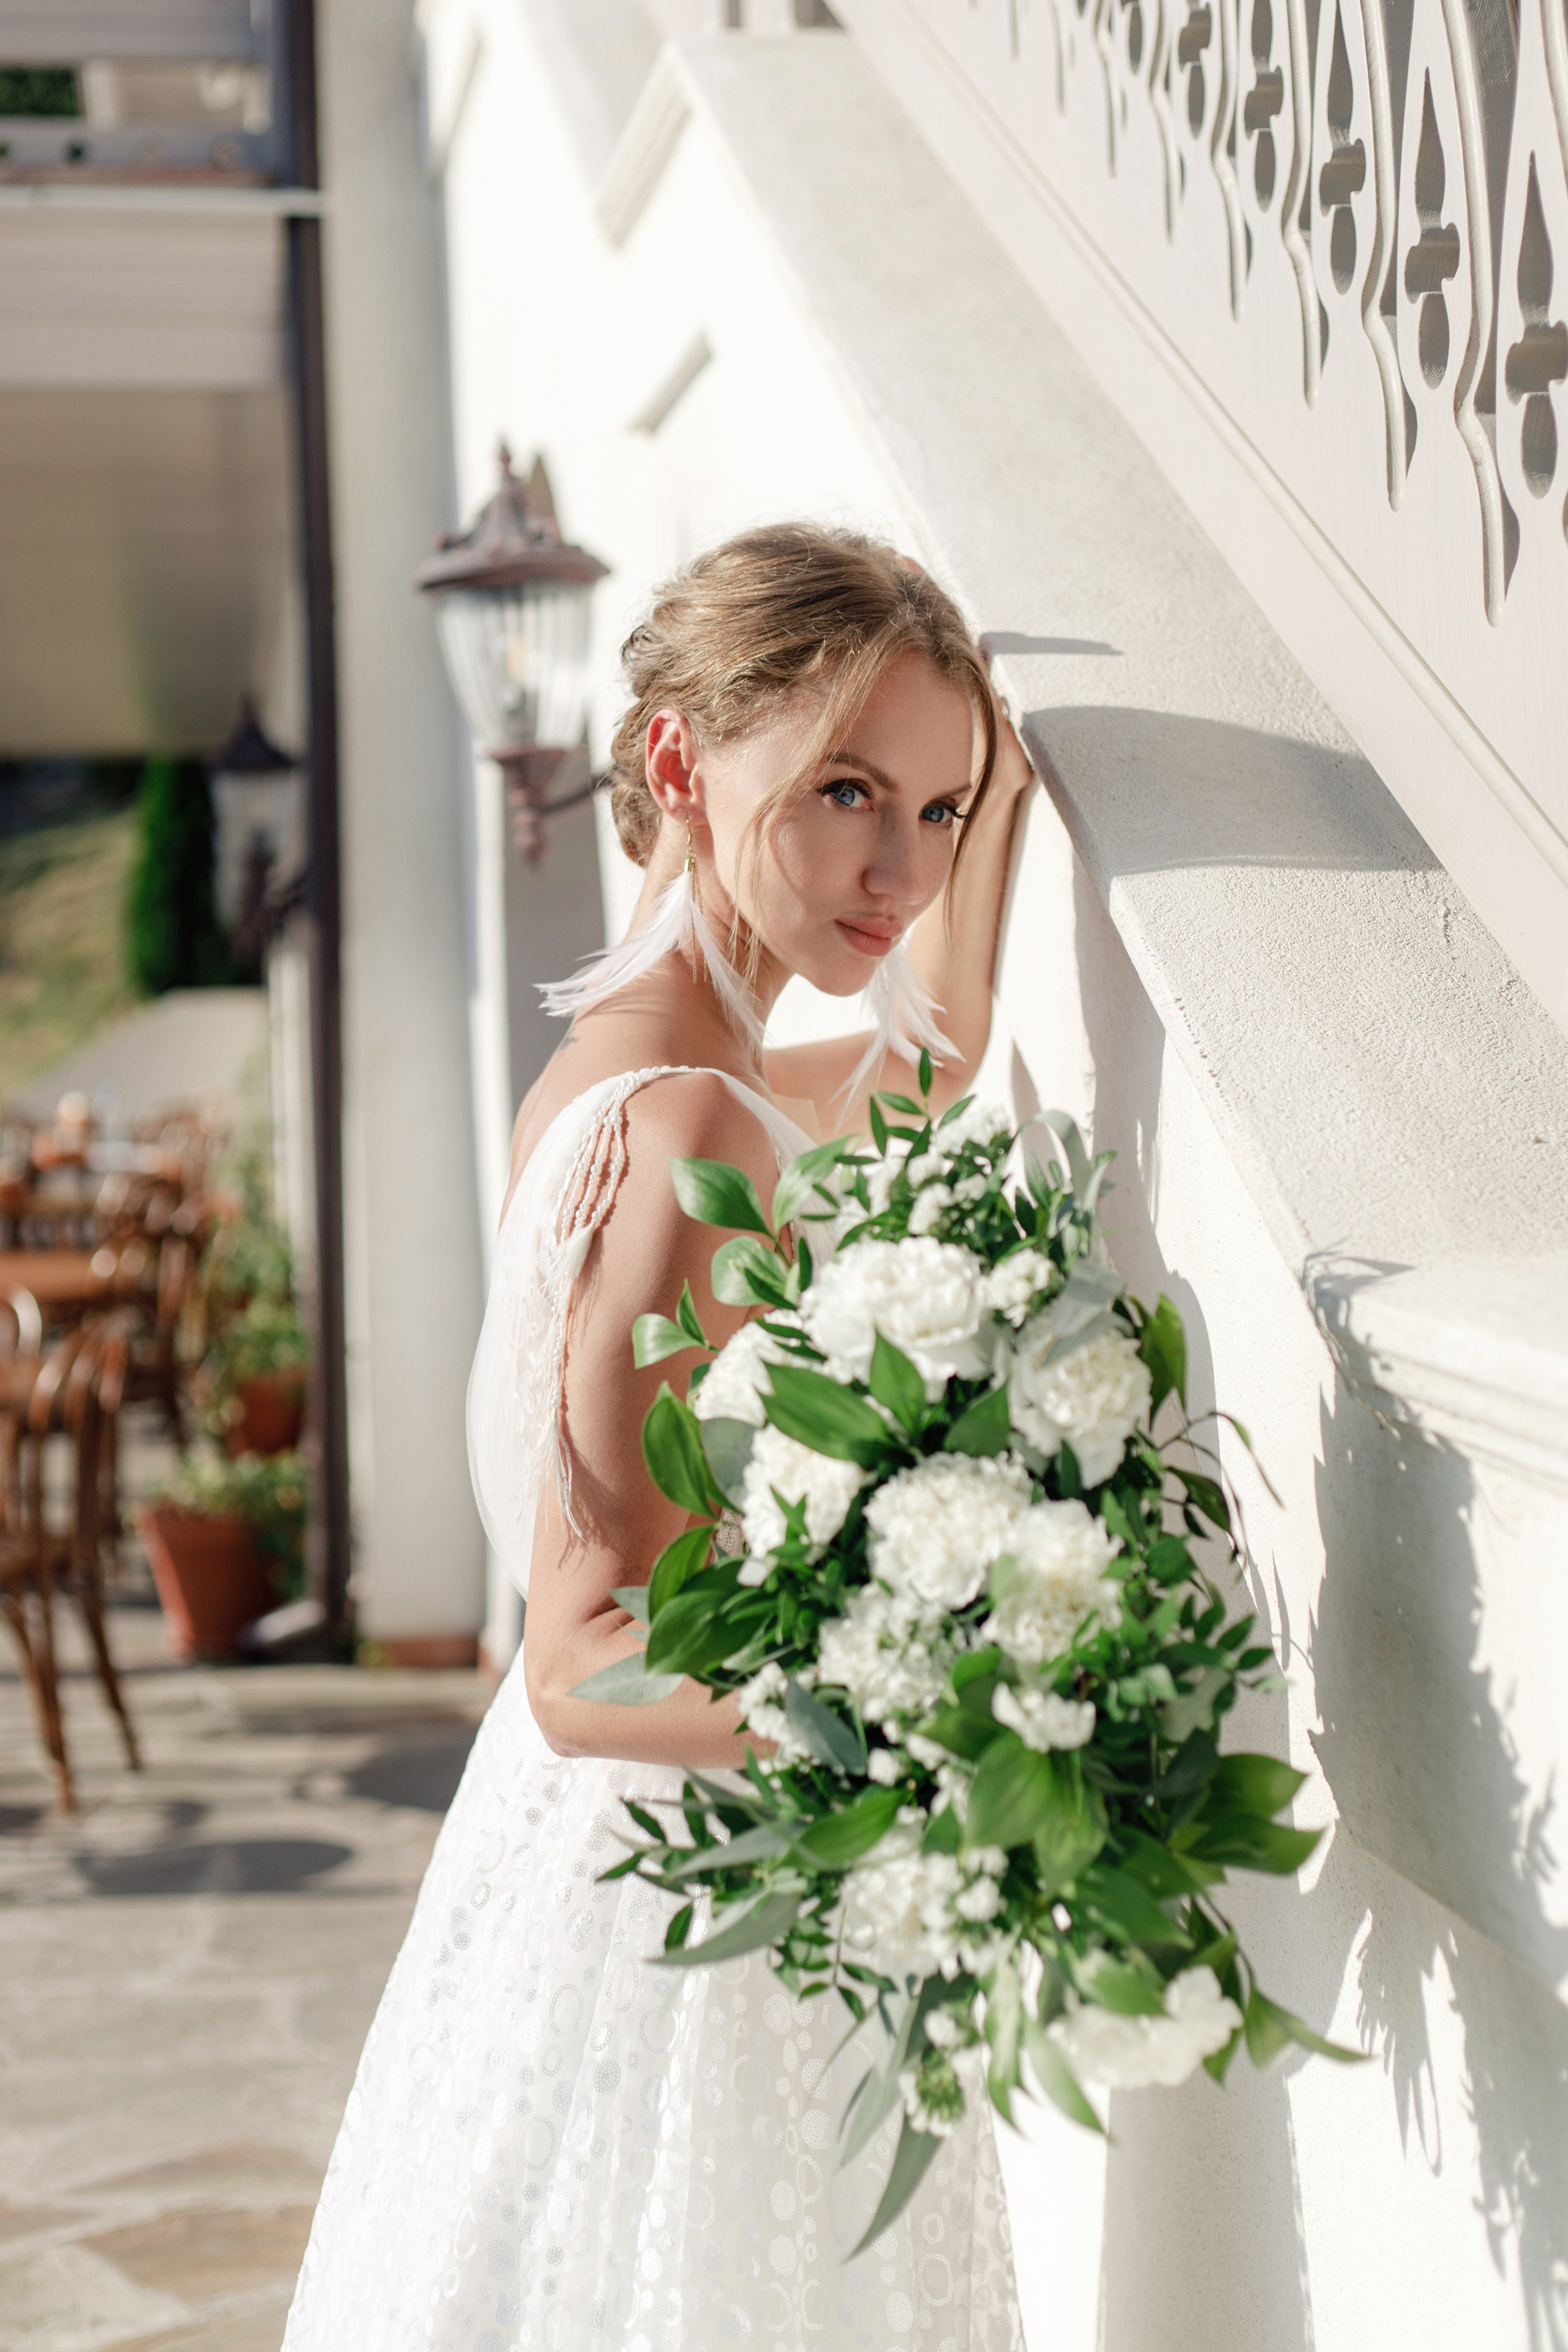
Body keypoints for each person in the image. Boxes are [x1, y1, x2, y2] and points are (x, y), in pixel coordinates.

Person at [282, 525, 1036, 2352]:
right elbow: (578, 1656)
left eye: (932, 813)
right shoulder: (692, 1108)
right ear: (686, 766)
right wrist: (937, 1719)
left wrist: (1000, 782)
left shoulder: (635, 1066)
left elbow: (931, 1065)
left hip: (622, 1876)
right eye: (849, 789)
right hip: (675, 1918)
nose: (895, 865)